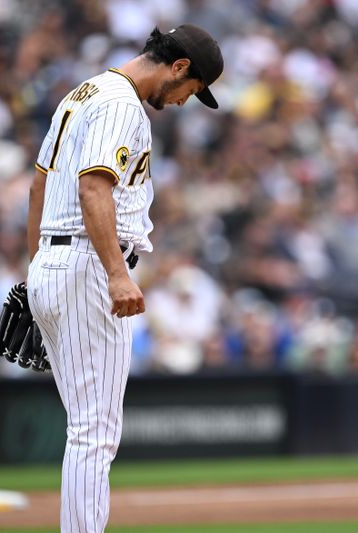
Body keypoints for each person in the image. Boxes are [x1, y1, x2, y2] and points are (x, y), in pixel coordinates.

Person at [26, 25, 223, 532]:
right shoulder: (120, 103)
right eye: (191, 90)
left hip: (58, 260)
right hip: (89, 266)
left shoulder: (84, 91)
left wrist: (36, 269)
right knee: (95, 431)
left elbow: (41, 183)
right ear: (178, 67)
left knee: (86, 428)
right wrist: (116, 273)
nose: (183, 102)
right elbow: (94, 188)